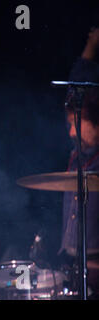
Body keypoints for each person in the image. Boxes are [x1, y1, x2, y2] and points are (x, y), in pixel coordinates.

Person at [59, 27, 99, 298]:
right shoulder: (78, 155)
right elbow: (76, 90)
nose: (72, 132)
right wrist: (92, 44)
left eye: (79, 125)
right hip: (71, 262)